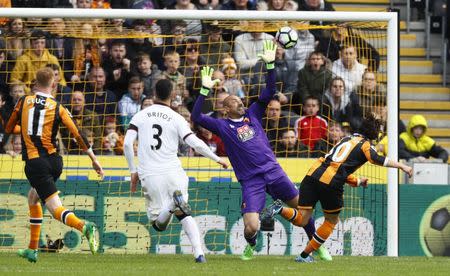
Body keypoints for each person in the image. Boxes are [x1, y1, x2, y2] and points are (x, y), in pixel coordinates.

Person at [191, 41, 331, 261]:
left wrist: (270, 65)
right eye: (236, 101)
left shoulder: (253, 113)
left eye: (240, 99)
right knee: (251, 226)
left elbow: (270, 91)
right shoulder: (222, 125)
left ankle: (316, 246)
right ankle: (251, 243)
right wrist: (204, 89)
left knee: (304, 209)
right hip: (251, 181)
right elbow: (196, 117)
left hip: (273, 171)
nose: (241, 102)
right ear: (226, 109)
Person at [261, 113, 413, 262]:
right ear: (374, 134)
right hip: (331, 184)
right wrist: (402, 166)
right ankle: (304, 256)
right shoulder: (366, 145)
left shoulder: (347, 138)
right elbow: (376, 159)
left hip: (313, 174)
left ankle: (279, 209)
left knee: (302, 219)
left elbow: (337, 165)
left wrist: (357, 181)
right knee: (331, 221)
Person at [123, 78, 229, 263]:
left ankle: (173, 205)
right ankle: (199, 254)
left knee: (158, 226)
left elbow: (126, 144)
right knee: (185, 214)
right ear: (172, 95)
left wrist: (133, 171)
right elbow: (194, 142)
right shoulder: (177, 117)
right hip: (175, 173)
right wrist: (217, 158)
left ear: (154, 93)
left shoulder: (141, 115)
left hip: (151, 174)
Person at [5, 67, 104, 263]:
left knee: (54, 209)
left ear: (34, 82)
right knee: (33, 198)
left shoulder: (23, 101)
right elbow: (78, 134)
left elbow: (9, 128)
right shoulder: (58, 107)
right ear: (54, 85)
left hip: (35, 163)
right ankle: (32, 249)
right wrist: (94, 159)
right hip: (55, 161)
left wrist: (26, 130)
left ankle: (84, 227)